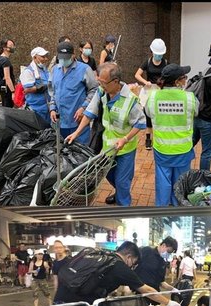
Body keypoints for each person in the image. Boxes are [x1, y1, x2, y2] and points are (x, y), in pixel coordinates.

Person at [64, 63, 146, 206]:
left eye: (103, 82)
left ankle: (123, 210)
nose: (100, 85)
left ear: (115, 82)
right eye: (99, 82)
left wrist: (125, 139)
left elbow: (140, 123)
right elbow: (89, 113)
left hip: (125, 148)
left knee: (122, 181)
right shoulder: (102, 93)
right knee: (107, 174)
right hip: (107, 146)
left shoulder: (131, 100)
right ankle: (120, 192)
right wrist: (76, 133)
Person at [53, 241, 182, 306]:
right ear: (129, 257)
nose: (132, 266)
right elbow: (147, 290)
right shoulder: (119, 266)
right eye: (134, 263)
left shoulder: (103, 255)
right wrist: (168, 302)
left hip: (60, 300)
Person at [145, 64, 198, 206]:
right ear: (177, 82)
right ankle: (177, 208)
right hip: (183, 149)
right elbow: (196, 111)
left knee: (163, 181)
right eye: (184, 78)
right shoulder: (190, 98)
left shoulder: (153, 97)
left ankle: (162, 210)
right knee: (180, 181)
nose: (186, 80)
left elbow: (148, 113)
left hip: (162, 148)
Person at [49, 40, 98, 145]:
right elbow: (53, 91)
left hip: (78, 121)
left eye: (66, 58)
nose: (63, 60)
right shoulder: (55, 70)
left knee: (80, 153)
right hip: (59, 122)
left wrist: (83, 107)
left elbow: (94, 90)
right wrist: (52, 108)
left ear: (73, 55)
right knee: (61, 153)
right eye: (61, 57)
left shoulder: (84, 69)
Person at [135, 38, 169, 151]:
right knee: (148, 115)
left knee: (160, 115)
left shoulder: (166, 63)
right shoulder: (147, 62)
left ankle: (160, 138)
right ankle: (148, 139)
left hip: (161, 91)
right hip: (149, 91)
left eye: (160, 54)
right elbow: (137, 75)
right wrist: (146, 82)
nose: (159, 56)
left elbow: (168, 77)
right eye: (157, 54)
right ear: (152, 51)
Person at [20, 47, 51, 125]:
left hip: (47, 108)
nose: (46, 59)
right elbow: (28, 89)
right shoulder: (28, 71)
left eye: (46, 56)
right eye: (43, 57)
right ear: (34, 57)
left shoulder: (44, 69)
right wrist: (44, 87)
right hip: (36, 109)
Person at [0, 38, 16, 108]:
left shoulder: (0, 58)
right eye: (11, 45)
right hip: (7, 90)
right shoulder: (5, 60)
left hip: (3, 88)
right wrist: (13, 92)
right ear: (4, 47)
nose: (13, 47)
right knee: (8, 108)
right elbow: (7, 77)